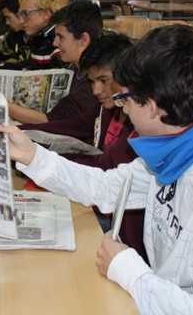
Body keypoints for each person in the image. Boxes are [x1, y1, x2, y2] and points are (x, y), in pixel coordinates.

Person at [0, 24, 193, 314]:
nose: (124, 110)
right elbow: (106, 187)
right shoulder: (172, 150)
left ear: (154, 107)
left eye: (127, 99)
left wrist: (128, 269)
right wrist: (33, 156)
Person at [23, 33, 146, 260]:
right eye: (92, 82)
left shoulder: (138, 124)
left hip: (118, 229)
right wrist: (22, 133)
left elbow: (104, 168)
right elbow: (72, 126)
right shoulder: (108, 107)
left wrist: (32, 155)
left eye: (104, 80)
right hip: (102, 207)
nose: (96, 90)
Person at [9, 0, 102, 124]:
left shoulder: (92, 82)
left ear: (83, 40)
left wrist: (5, 106)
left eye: (61, 37)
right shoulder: (75, 68)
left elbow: (50, 121)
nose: (55, 43)